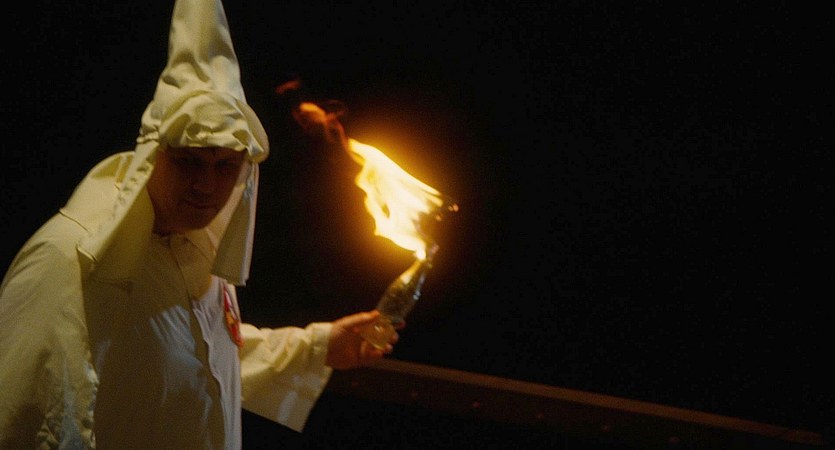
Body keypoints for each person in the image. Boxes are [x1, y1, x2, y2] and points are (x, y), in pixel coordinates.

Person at [0, 0, 397, 448]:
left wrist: (319, 346)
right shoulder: (67, 262)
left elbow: (200, 358)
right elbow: (28, 421)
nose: (207, 186)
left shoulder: (196, 243)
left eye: (225, 166)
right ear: (152, 156)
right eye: (188, 162)